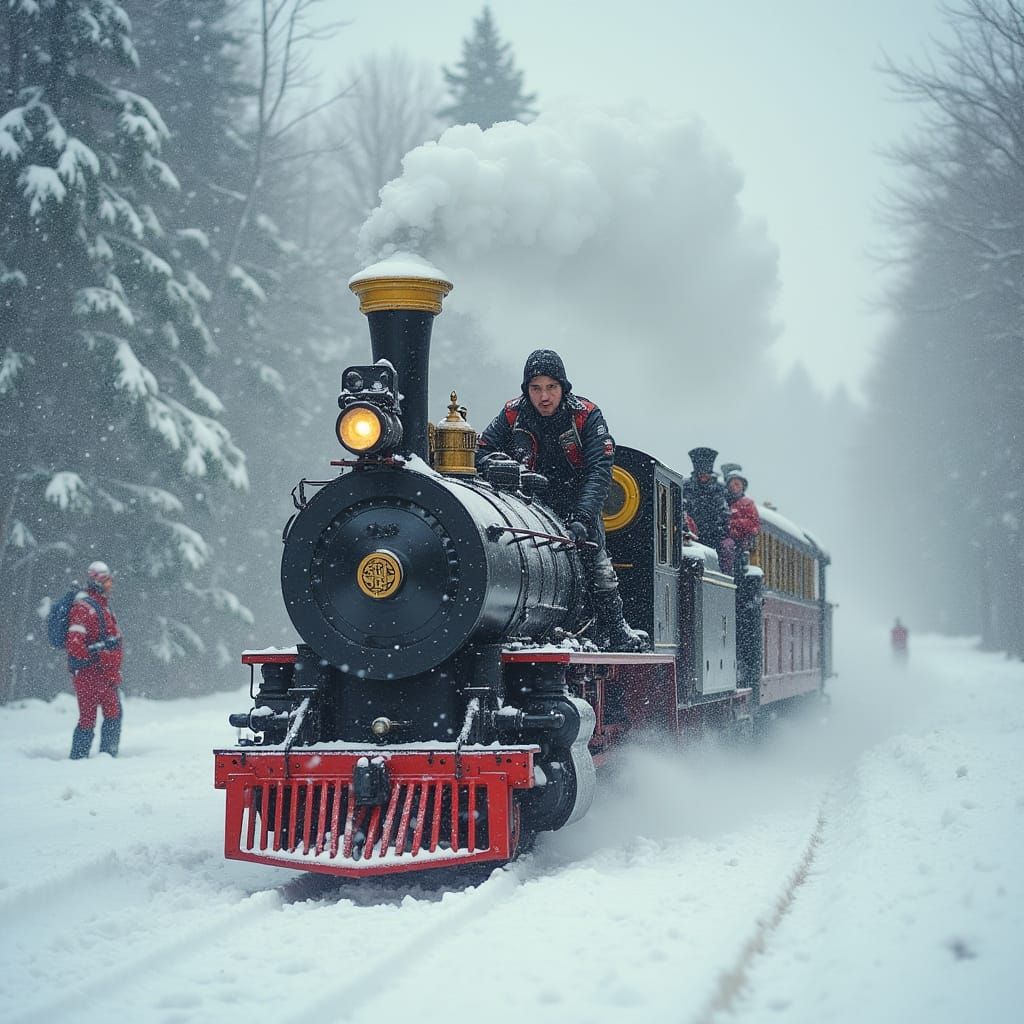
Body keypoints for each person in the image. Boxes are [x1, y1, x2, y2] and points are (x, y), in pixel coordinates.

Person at [476, 349, 646, 652]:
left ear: (563, 388)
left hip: (576, 501)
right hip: (526, 501)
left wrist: (581, 518)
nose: (544, 396)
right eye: (536, 388)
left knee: (597, 563)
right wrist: (502, 466)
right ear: (526, 390)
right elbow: (482, 451)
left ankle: (615, 626)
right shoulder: (512, 413)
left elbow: (599, 471)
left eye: (551, 387)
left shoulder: (586, 415)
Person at [67, 561, 124, 759]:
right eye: (107, 582)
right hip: (91, 676)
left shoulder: (103, 607)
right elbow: (75, 644)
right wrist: (98, 656)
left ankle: (105, 757)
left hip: (105, 675)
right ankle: (81, 759)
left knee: (112, 714)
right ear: (97, 582)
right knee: (89, 719)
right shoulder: (84, 609)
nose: (110, 586)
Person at [682, 447, 730, 558]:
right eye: (701, 474)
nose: (703, 476)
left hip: (715, 535)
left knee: (727, 547)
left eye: (706, 474)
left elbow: (725, 513)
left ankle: (727, 572)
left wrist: (717, 531)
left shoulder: (720, 489)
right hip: (690, 534)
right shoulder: (686, 487)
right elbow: (681, 509)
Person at [719, 463, 761, 576]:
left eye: (737, 484)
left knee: (728, 547)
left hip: (740, 543)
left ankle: (727, 574)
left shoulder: (748, 504)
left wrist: (734, 524)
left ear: (743, 486)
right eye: (731, 484)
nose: (734, 487)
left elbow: (754, 525)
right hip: (722, 536)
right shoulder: (721, 500)